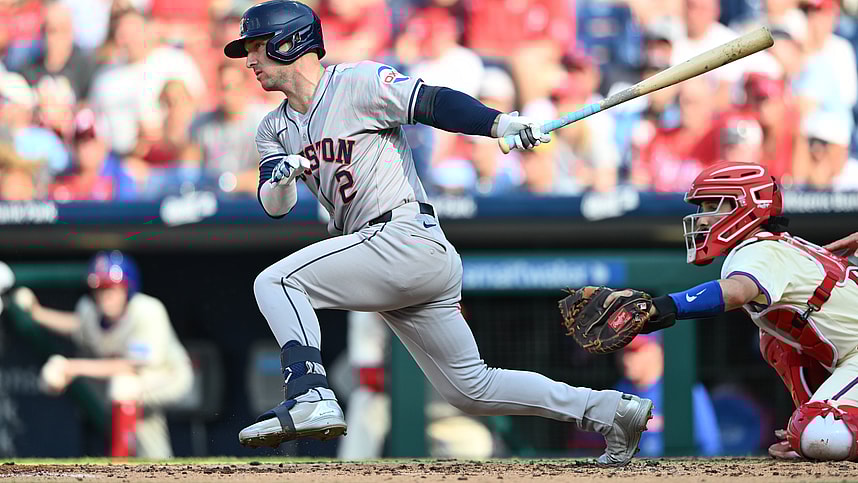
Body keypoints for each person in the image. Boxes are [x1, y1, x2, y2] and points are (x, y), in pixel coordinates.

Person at [223, 0, 653, 466]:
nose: (250, 61)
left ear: (292, 43)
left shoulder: (356, 82)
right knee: (472, 389)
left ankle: (309, 394)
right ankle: (611, 410)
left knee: (277, 282)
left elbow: (432, 102)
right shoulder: (273, 128)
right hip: (390, 259)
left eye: (259, 48)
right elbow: (275, 207)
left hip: (402, 235)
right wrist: (282, 179)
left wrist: (500, 123)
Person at [615, 160, 858, 461]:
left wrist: (664, 306)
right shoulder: (773, 245)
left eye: (711, 206)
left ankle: (817, 421)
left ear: (746, 206)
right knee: (774, 339)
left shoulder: (756, 249)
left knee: (816, 433)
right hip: (849, 356)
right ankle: (815, 415)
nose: (702, 219)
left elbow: (737, 290)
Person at [13, 251, 193, 458]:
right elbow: (76, 325)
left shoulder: (147, 310)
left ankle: (118, 463)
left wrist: (73, 367)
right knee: (145, 432)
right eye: (100, 288)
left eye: (113, 288)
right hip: (137, 383)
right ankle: (159, 469)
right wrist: (37, 313)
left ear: (128, 288)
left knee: (124, 386)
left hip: (171, 376)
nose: (106, 295)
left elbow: (131, 366)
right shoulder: (89, 311)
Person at [614, 335, 722, 457]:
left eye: (634, 351)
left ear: (658, 351)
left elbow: (710, 445)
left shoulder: (683, 389)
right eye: (622, 351)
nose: (625, 359)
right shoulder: (620, 390)